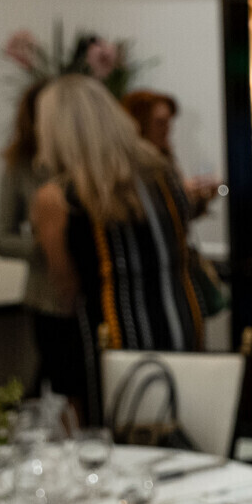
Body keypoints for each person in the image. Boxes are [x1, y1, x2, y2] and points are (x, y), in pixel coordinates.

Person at [31, 74, 204, 418]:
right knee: (182, 425)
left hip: (111, 340)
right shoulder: (163, 173)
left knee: (119, 443)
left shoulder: (58, 198)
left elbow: (65, 287)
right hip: (179, 324)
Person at [0, 81, 82, 398]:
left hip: (90, 290)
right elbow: (2, 239)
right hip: (46, 294)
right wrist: (47, 243)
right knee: (58, 377)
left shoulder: (84, 161)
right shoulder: (19, 166)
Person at [121, 89, 219, 217]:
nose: (168, 129)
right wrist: (181, 194)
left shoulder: (165, 158)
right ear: (138, 123)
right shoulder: (127, 165)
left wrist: (199, 197)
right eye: (160, 123)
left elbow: (178, 217)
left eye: (169, 122)